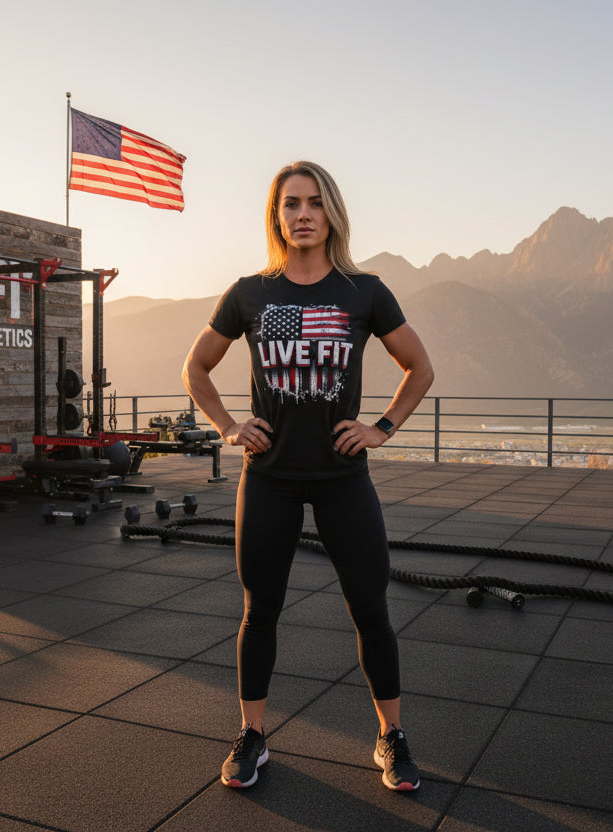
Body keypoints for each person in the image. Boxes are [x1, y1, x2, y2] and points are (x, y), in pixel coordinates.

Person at [182, 161, 434, 792]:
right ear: (277, 214)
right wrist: (228, 426)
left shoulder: (364, 291)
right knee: (259, 610)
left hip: (342, 477)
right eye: (291, 203)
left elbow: (419, 368)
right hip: (268, 477)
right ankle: (251, 736)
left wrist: (382, 427)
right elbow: (196, 367)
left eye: (315, 203)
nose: (302, 214)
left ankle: (391, 737)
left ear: (332, 214)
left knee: (370, 609)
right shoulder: (249, 292)